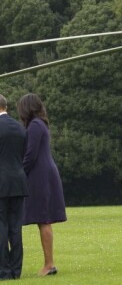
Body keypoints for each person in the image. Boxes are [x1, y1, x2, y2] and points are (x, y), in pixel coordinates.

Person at [17, 94, 66, 277]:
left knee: (43, 219)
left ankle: (49, 264)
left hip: (40, 176)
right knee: (42, 219)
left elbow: (31, 155)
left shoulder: (36, 126)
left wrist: (20, 174)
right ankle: (49, 263)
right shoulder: (40, 124)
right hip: (43, 173)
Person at [0, 94, 28, 281]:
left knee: (1, 227)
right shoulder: (19, 127)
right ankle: (16, 271)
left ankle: (4, 270)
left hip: (1, 183)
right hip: (18, 182)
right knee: (16, 228)